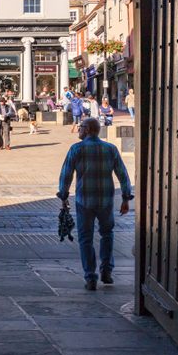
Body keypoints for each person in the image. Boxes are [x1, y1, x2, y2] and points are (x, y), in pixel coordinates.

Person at [57, 118, 134, 290]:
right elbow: (123, 175)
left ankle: (90, 277)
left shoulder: (76, 149)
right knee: (107, 234)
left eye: (81, 127)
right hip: (106, 200)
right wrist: (125, 198)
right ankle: (106, 271)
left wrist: (63, 197)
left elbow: (66, 174)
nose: (78, 130)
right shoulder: (110, 149)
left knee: (86, 238)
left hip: (84, 200)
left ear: (88, 129)